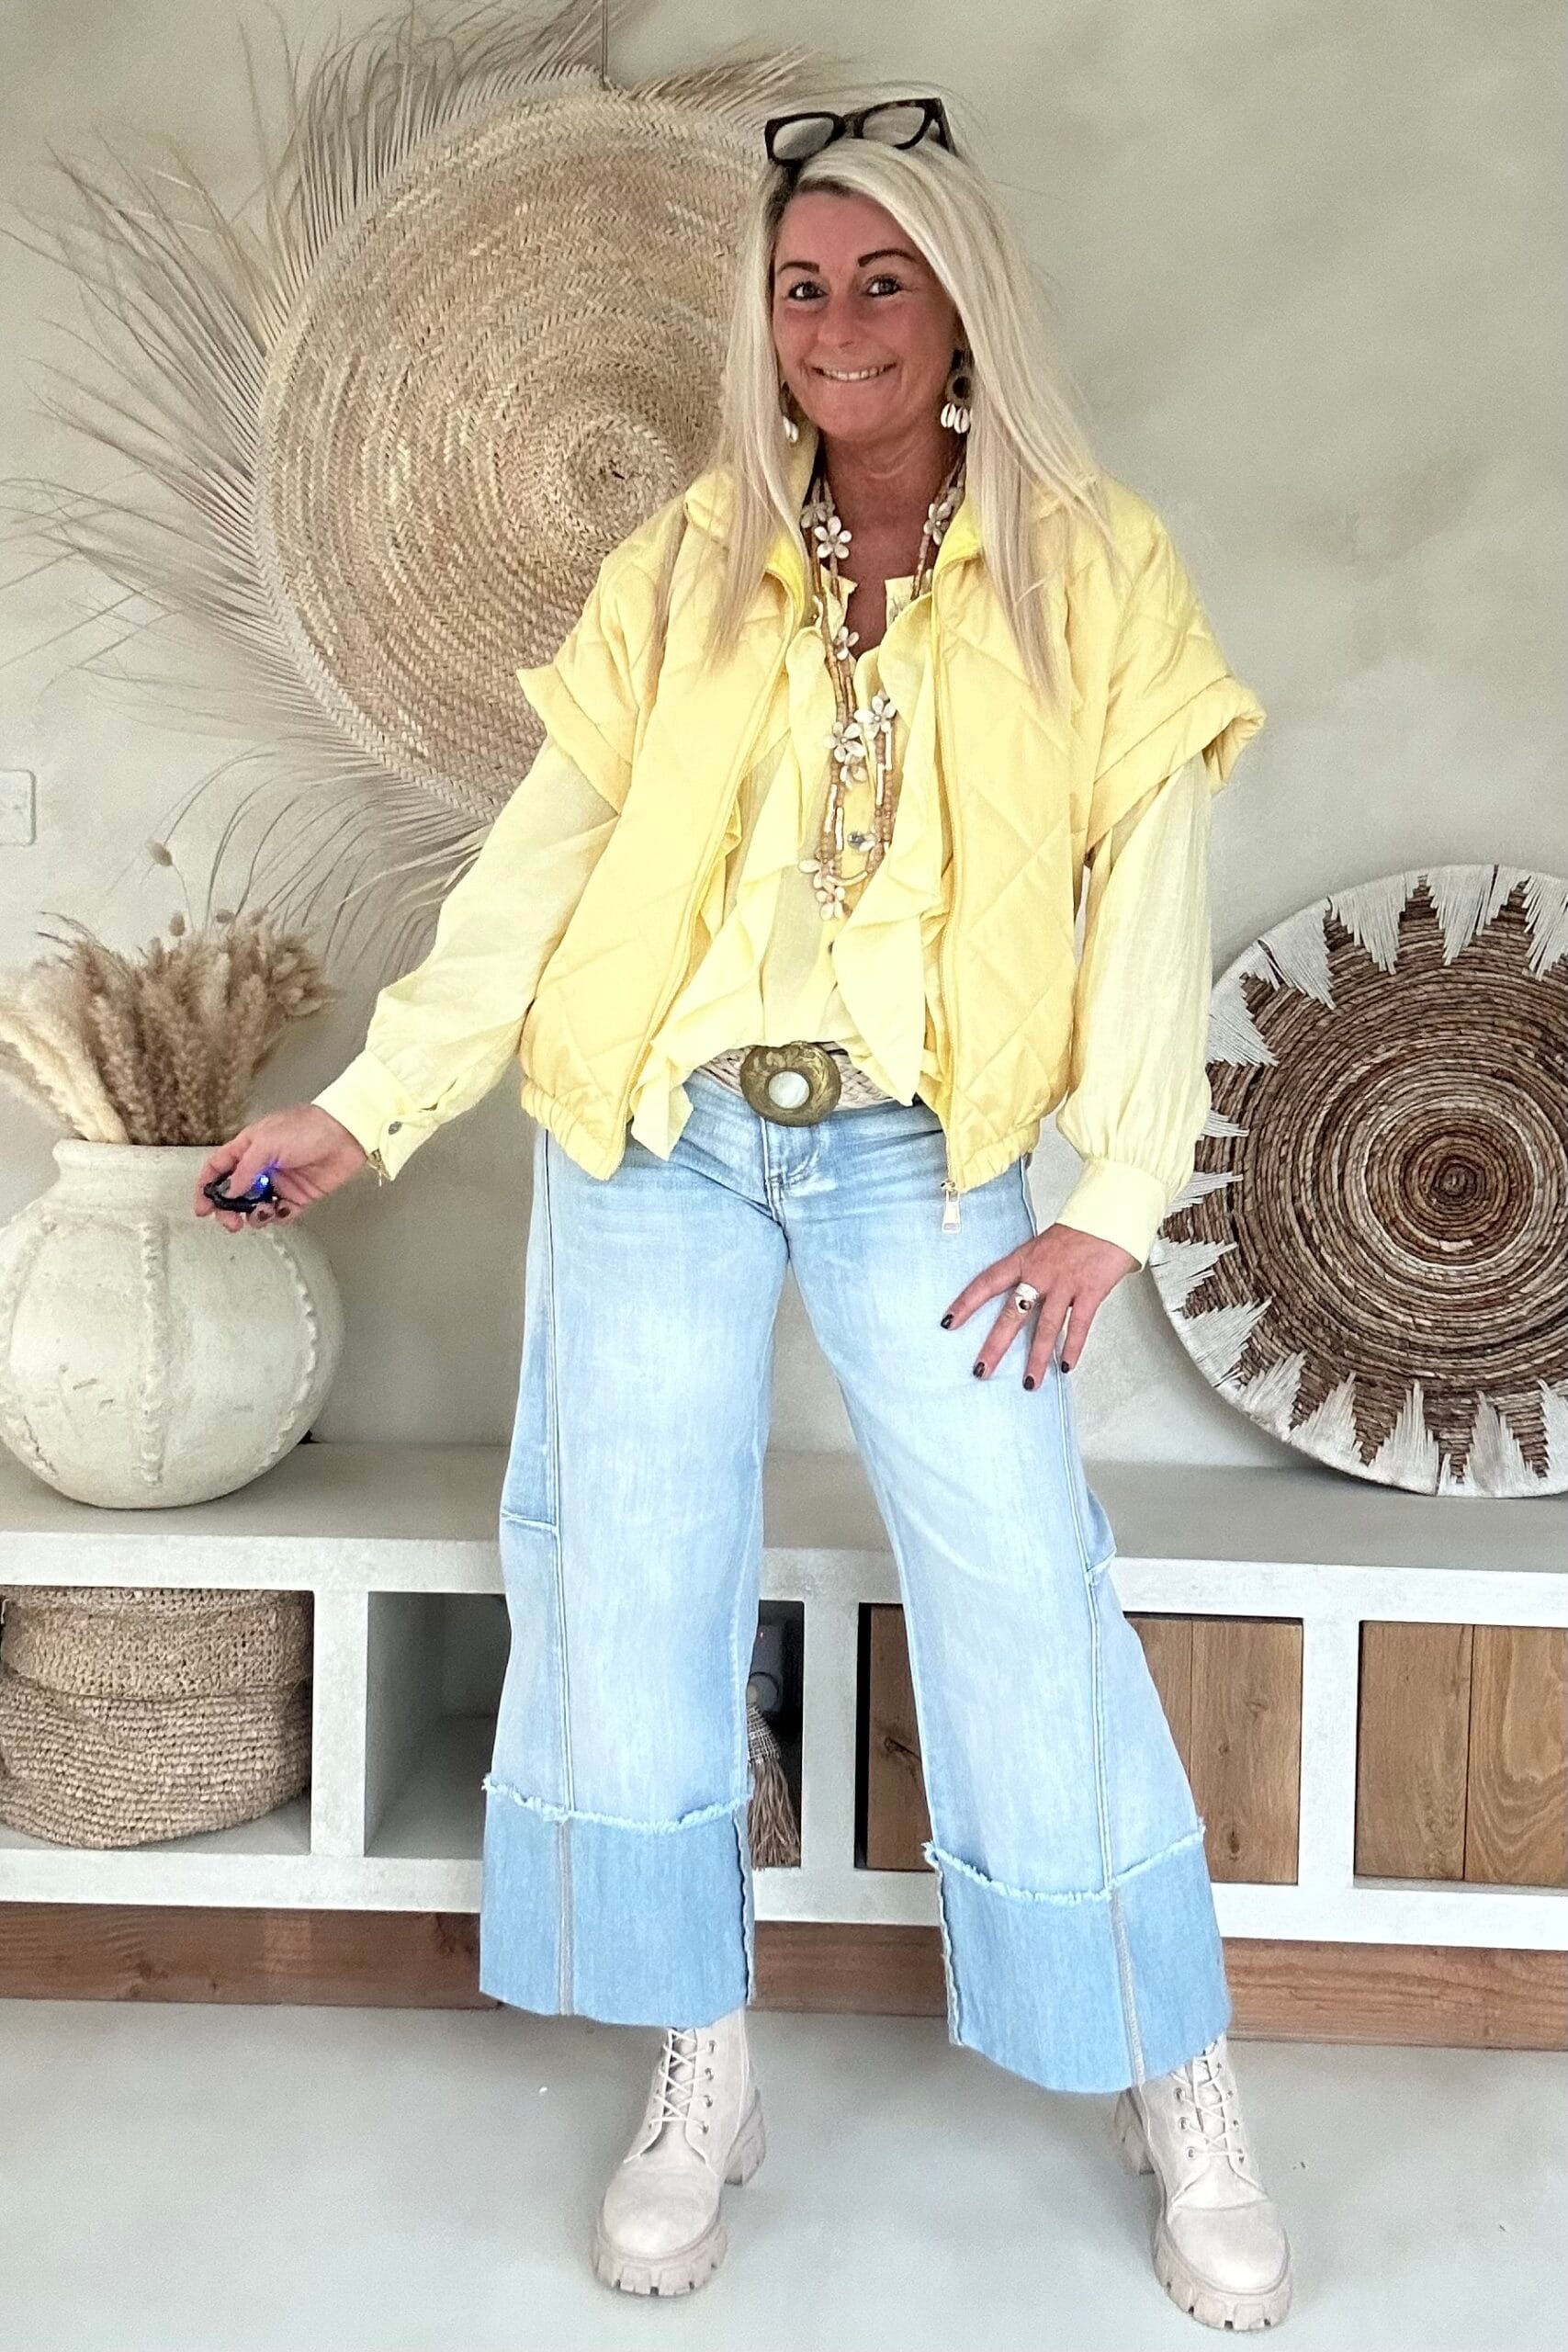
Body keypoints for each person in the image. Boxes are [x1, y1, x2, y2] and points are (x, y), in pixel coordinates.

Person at [194, 95, 1291, 2332]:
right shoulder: (690, 560)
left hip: (921, 1149)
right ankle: (704, 2061)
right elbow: (542, 863)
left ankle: (1168, 2061)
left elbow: (1153, 895)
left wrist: (1108, 1196)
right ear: (760, 318)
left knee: (1020, 1586)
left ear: (961, 305)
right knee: (626, 1581)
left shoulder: (1094, 564)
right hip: (656, 1137)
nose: (836, 322)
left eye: (881, 279)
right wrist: (374, 1102)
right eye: (800, 285)